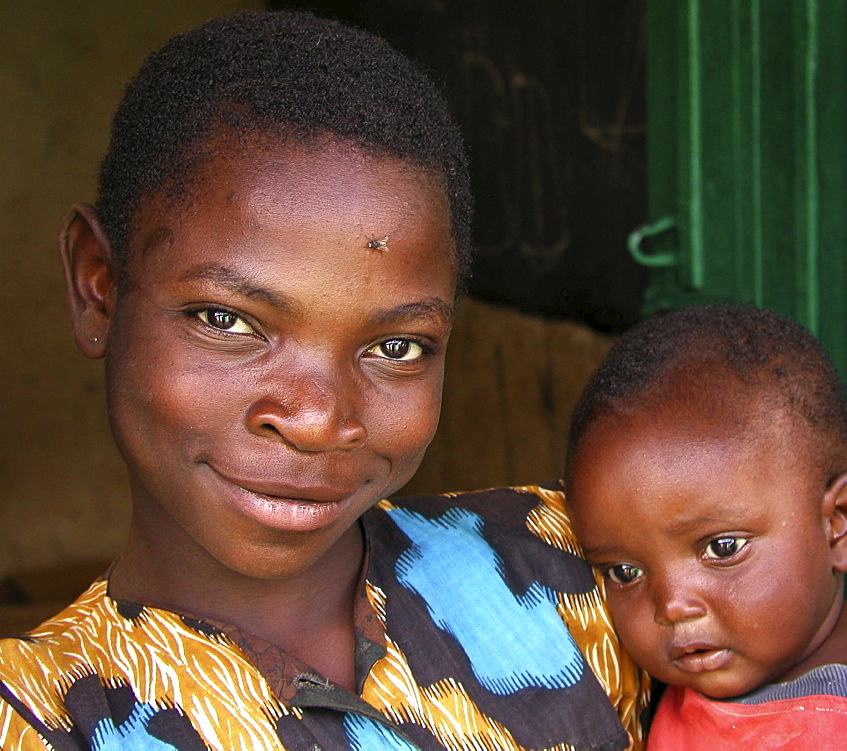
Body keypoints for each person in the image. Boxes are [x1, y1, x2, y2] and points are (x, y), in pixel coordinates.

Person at [0, 12, 646, 750]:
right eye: (227, 319)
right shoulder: (41, 720)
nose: (316, 418)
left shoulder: (584, 573)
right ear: (99, 287)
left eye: (397, 345)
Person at [563, 304, 847, 749]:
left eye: (723, 548)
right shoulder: (730, 672)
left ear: (840, 524)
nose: (671, 606)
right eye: (624, 572)